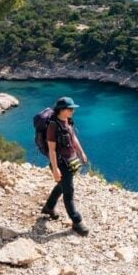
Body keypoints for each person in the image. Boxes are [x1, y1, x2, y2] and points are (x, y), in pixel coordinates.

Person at [41, 96, 90, 235]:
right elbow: (52, 149)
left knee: (62, 186)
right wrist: (55, 169)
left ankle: (49, 207)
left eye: (72, 109)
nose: (72, 111)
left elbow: (73, 137)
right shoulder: (53, 126)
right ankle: (77, 222)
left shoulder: (67, 121)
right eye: (70, 109)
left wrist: (81, 153)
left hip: (71, 160)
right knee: (69, 192)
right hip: (60, 163)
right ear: (61, 110)